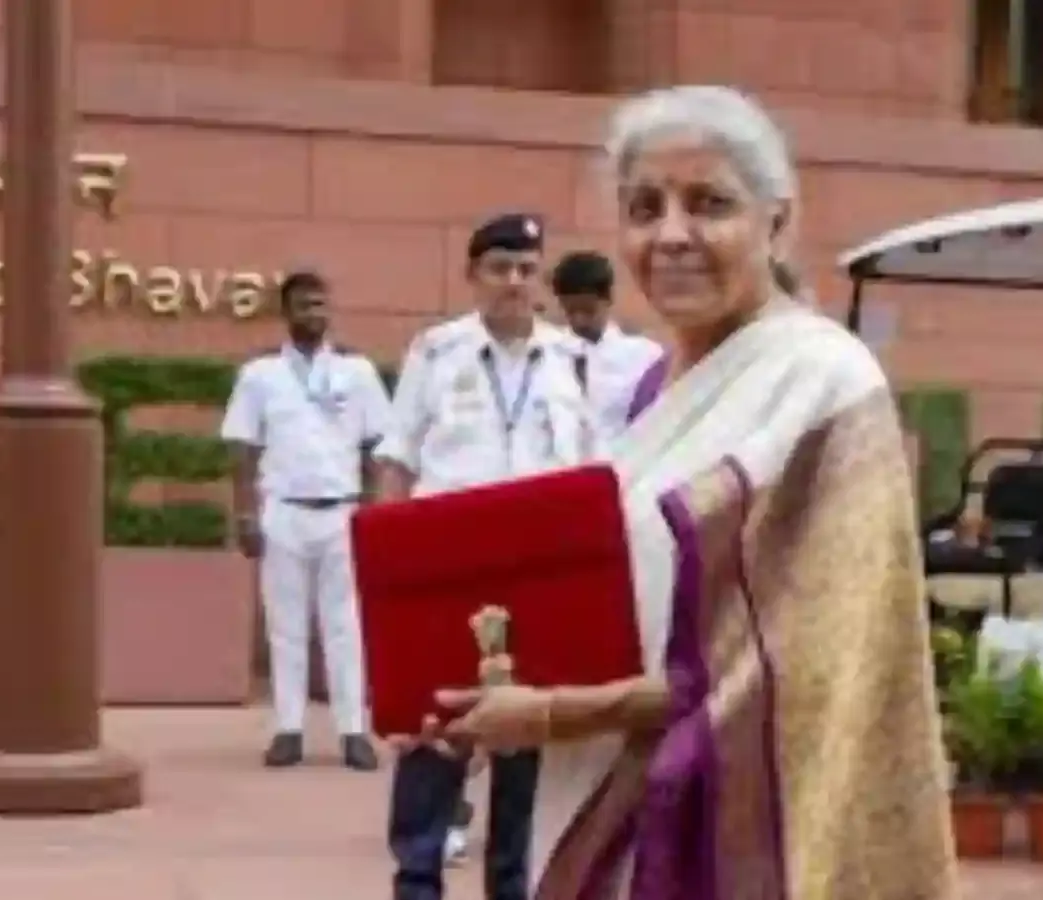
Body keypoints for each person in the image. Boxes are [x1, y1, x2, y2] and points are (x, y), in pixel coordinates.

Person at [405, 86, 959, 899]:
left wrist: (554, 713)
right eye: (644, 208)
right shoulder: (653, 388)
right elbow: (618, 609)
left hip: (733, 843)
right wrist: (477, 694)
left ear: (776, 221)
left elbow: (800, 674)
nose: (670, 235)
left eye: (708, 203)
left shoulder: (826, 384)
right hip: (598, 805)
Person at [375, 212, 599, 900]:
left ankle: (511, 886)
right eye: (500, 268)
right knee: (436, 730)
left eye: (527, 270)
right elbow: (396, 459)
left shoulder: (571, 359)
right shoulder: (436, 352)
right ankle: (418, 881)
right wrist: (388, 575)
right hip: (449, 569)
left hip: (538, 570)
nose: (514, 282)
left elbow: (592, 472)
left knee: (525, 740)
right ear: (473, 275)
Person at [220, 270, 392, 772]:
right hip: (283, 512)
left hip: (342, 511)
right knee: (285, 625)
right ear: (286, 312)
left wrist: (372, 508)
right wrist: (245, 512)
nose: (314, 314)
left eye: (320, 304)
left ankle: (352, 731)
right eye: (303, 305)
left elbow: (375, 446)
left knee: (345, 625)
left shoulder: (356, 372)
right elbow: (243, 449)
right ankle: (288, 729)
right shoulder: (260, 375)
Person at [550, 251, 663, 443]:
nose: (579, 321)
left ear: (608, 298)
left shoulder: (644, 357)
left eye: (588, 311)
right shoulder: (547, 353)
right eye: (571, 311)